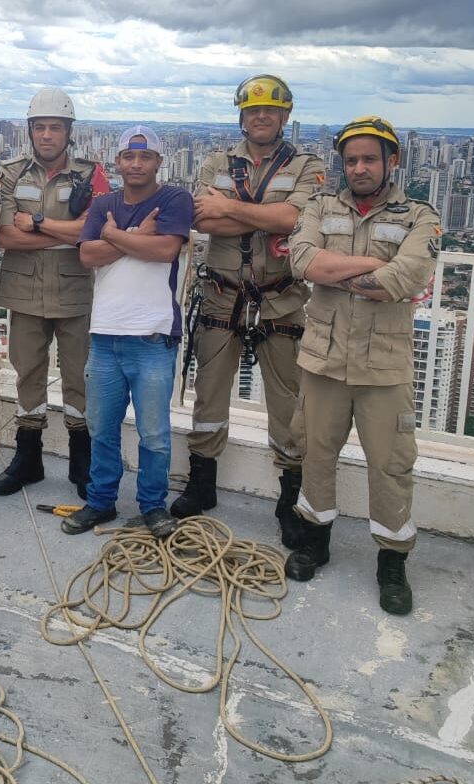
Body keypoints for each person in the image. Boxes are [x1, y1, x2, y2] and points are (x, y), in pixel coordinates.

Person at [286, 116, 440, 615]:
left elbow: (409, 274)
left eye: (370, 158)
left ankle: (392, 563)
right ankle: (314, 540)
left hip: (384, 366)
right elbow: (304, 263)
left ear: (391, 161)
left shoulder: (420, 215)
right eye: (351, 160)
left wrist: (342, 270)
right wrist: (375, 267)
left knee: (391, 466)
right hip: (323, 358)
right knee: (314, 452)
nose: (359, 168)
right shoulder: (320, 205)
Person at [171, 74, 324, 549]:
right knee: (210, 394)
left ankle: (289, 494)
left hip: (281, 296)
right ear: (242, 116)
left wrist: (231, 207)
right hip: (222, 292)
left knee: (288, 401)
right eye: (254, 109)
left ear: (285, 116)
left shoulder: (306, 163)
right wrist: (260, 212)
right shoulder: (218, 161)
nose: (262, 116)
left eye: (271, 110)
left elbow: (296, 218)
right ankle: (202, 481)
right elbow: (201, 217)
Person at [62, 126, 193, 539]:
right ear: (117, 161)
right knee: (102, 428)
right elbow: (87, 255)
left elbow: (166, 250)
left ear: (158, 162)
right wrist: (139, 236)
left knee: (154, 433)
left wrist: (115, 235)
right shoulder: (104, 203)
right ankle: (100, 501)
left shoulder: (174, 199)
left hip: (153, 337)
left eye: (145, 157)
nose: (136, 164)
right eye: (128, 157)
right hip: (104, 337)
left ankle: (153, 506)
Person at [0, 88, 109, 499]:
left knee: (80, 378)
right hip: (24, 293)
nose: (46, 135)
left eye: (54, 127)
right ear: (29, 131)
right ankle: (28, 459)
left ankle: (82, 462)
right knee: (28, 376)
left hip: (75, 293)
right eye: (39, 127)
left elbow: (93, 230)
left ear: (68, 131)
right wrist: (65, 235)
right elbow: (4, 236)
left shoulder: (91, 174)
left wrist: (36, 223)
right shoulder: (10, 174)